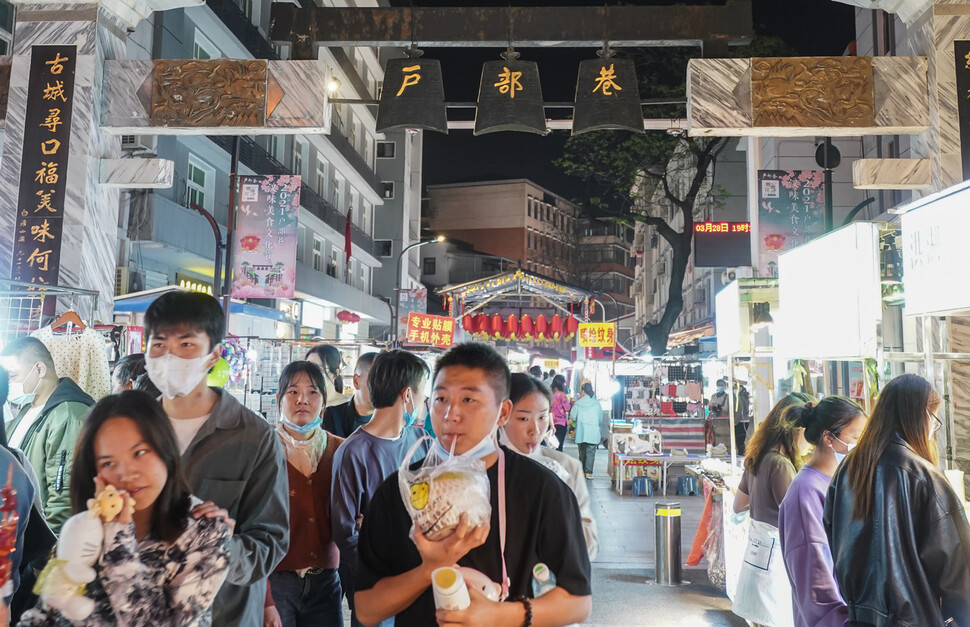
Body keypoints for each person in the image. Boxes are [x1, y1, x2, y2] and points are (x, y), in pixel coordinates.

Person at [354, 343, 592, 626]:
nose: (450, 414)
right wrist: (431, 566)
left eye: (468, 400)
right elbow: (367, 609)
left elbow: (578, 602)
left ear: (503, 412)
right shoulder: (401, 490)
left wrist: (500, 615)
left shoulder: (542, 489)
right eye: (441, 399)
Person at [20, 390, 232, 626]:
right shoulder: (83, 527)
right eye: (108, 462)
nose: (126, 474)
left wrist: (117, 533)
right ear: (94, 471)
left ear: (166, 451)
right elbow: (46, 611)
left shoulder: (204, 532)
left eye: (139, 453)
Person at [144, 290, 289, 626]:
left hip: (225, 614)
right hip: (141, 608)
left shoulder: (254, 437)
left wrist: (218, 546)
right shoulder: (133, 430)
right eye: (159, 344)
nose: (169, 356)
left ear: (214, 355)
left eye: (186, 344)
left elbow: (270, 542)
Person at [825, 374, 970, 626]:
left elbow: (832, 535)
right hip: (914, 619)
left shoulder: (848, 468)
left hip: (860, 619)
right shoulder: (923, 476)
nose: (931, 430)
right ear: (922, 416)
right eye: (933, 420)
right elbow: (957, 572)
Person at [330, 349, 432, 627]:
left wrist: (378, 530)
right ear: (408, 394)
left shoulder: (421, 441)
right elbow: (344, 531)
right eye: (424, 392)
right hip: (376, 587)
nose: (426, 400)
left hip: (420, 578)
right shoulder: (353, 452)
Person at [264, 362, 344, 627]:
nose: (302, 400)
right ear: (278, 399)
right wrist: (265, 600)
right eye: (293, 392)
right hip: (276, 581)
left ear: (323, 401)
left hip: (326, 580)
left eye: (312, 392)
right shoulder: (262, 451)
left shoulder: (341, 450)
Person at [778, 396, 865, 627]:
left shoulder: (841, 481)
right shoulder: (804, 493)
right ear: (828, 438)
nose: (860, 445)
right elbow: (815, 580)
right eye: (855, 438)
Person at [732, 392, 814, 627]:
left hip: (757, 555)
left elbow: (738, 505)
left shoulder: (757, 457)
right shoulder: (780, 464)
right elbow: (797, 517)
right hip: (776, 558)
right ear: (797, 430)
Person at [500, 373, 598, 560]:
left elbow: (588, 547)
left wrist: (559, 504)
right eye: (523, 418)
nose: (535, 430)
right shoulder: (485, 467)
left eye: (542, 418)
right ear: (502, 415)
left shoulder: (567, 468)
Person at [0, 337, 94, 532]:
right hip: (19, 532)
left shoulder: (69, 415)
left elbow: (64, 497)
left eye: (13, 376)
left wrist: (46, 553)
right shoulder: (27, 410)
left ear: (40, 369)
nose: (9, 385)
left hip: (40, 542)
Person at [322, 352, 376, 438]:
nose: (383, 388)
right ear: (356, 381)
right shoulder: (330, 416)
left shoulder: (394, 423)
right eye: (376, 381)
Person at [571, 382, 604, 480]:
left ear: (583, 391)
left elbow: (572, 417)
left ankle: (581, 471)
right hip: (593, 431)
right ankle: (588, 473)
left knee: (582, 451)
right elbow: (600, 420)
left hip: (581, 431)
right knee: (591, 452)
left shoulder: (577, 404)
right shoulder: (597, 404)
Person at [550, 375, 571, 453]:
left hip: (551, 422)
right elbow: (567, 408)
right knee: (559, 446)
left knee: (552, 446)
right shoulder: (561, 395)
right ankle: (557, 463)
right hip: (561, 423)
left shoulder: (549, 393)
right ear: (562, 383)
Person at [735, 379, 752, 454]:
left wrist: (735, 422)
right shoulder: (744, 397)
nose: (734, 390)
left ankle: (742, 455)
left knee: (739, 441)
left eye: (735, 388)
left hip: (741, 422)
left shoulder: (740, 398)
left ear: (740, 388)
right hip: (745, 421)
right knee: (741, 440)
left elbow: (739, 411)